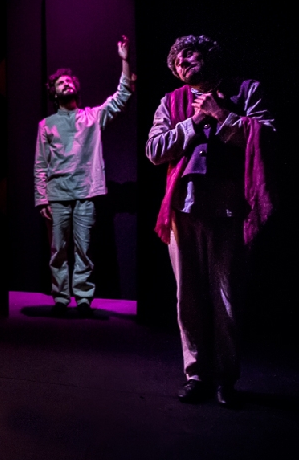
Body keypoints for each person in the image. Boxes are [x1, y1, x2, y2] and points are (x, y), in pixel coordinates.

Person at [146, 35, 275, 408]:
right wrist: (194, 122)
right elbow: (154, 150)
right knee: (187, 297)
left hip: (229, 208)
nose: (183, 62)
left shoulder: (245, 90)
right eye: (176, 61)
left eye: (189, 53)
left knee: (226, 296)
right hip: (183, 209)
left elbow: (268, 137)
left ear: (208, 55)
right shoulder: (171, 102)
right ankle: (196, 375)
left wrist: (223, 116)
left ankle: (225, 378)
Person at [34, 36, 135, 317]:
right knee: (58, 250)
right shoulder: (46, 125)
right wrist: (41, 198)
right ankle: (60, 297)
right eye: (60, 83)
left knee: (84, 249)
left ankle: (83, 298)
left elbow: (122, 96)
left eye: (69, 81)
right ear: (53, 92)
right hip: (56, 194)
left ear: (76, 88)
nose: (66, 84)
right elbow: (40, 164)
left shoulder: (92, 117)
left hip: (86, 192)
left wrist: (124, 59)